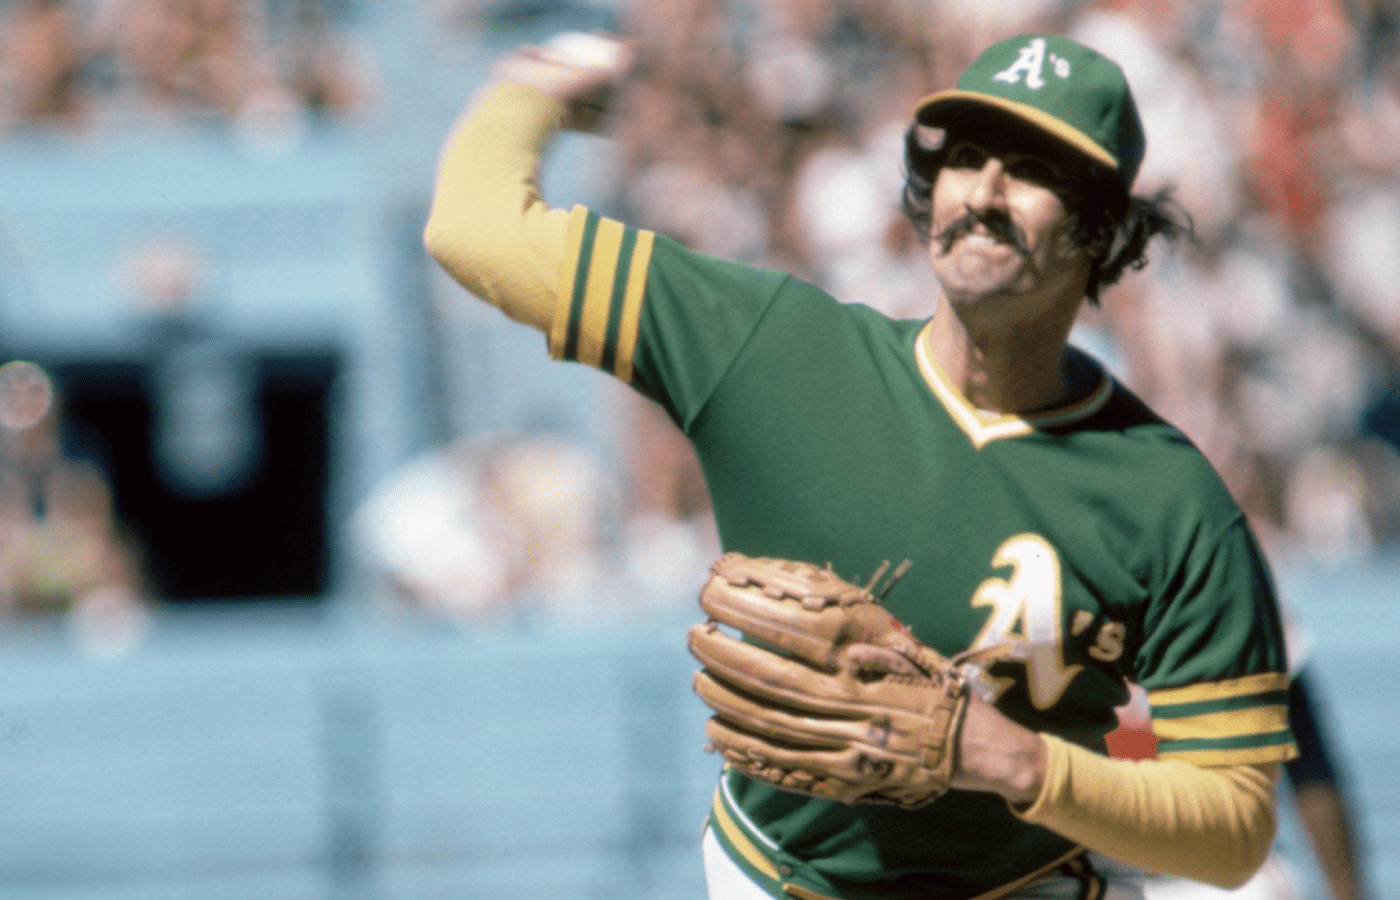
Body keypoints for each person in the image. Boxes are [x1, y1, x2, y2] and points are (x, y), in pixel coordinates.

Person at [424, 31, 1297, 900]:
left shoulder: (1169, 496)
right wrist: (531, 90)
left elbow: (1233, 830)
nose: (985, 191)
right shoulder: (773, 350)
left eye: (1031, 170)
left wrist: (1004, 757)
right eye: (964, 156)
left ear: (1101, 227)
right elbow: (475, 229)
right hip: (777, 878)